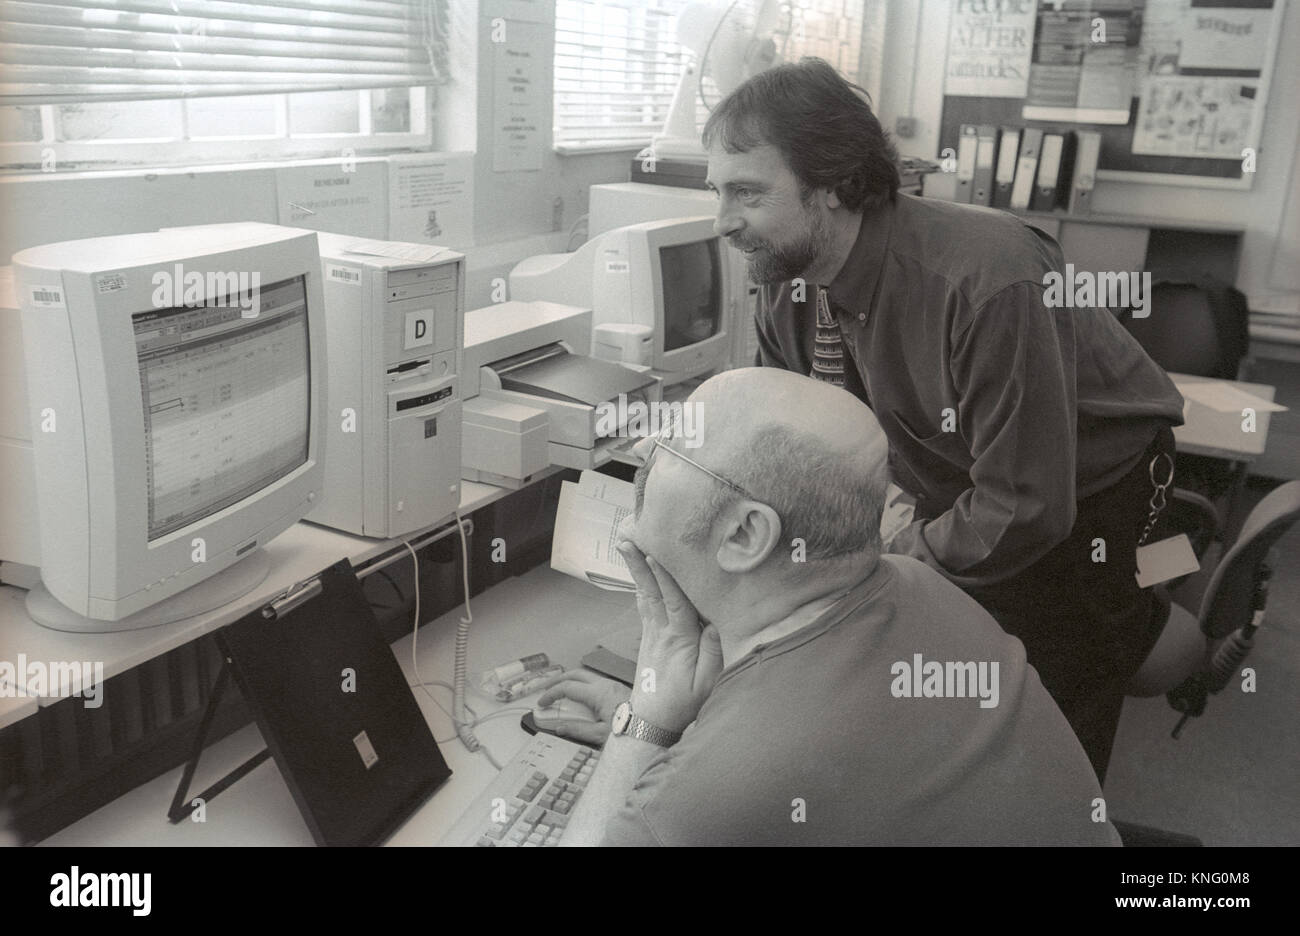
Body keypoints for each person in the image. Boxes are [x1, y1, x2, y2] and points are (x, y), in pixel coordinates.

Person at [701, 58, 1186, 782]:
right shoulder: (785, 279)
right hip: (962, 476)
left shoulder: (988, 278)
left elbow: (1024, 504)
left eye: (747, 192)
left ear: (832, 184)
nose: (722, 223)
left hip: (1088, 491)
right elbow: (799, 444)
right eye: (716, 193)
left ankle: (1138, 648)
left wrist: (879, 566)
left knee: (1048, 711)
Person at [547, 367, 1119, 846]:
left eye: (672, 443)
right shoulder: (919, 585)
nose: (645, 449)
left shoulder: (740, 775)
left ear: (746, 535)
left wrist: (646, 724)